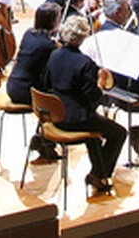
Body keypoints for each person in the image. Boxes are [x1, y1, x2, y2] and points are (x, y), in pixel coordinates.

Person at [44, 16, 125, 199]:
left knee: (94, 138)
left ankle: (98, 173)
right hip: (76, 119)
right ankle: (99, 174)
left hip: (55, 115)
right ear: (82, 37)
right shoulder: (85, 63)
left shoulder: (54, 55)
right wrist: (101, 84)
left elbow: (46, 82)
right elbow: (94, 97)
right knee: (119, 132)